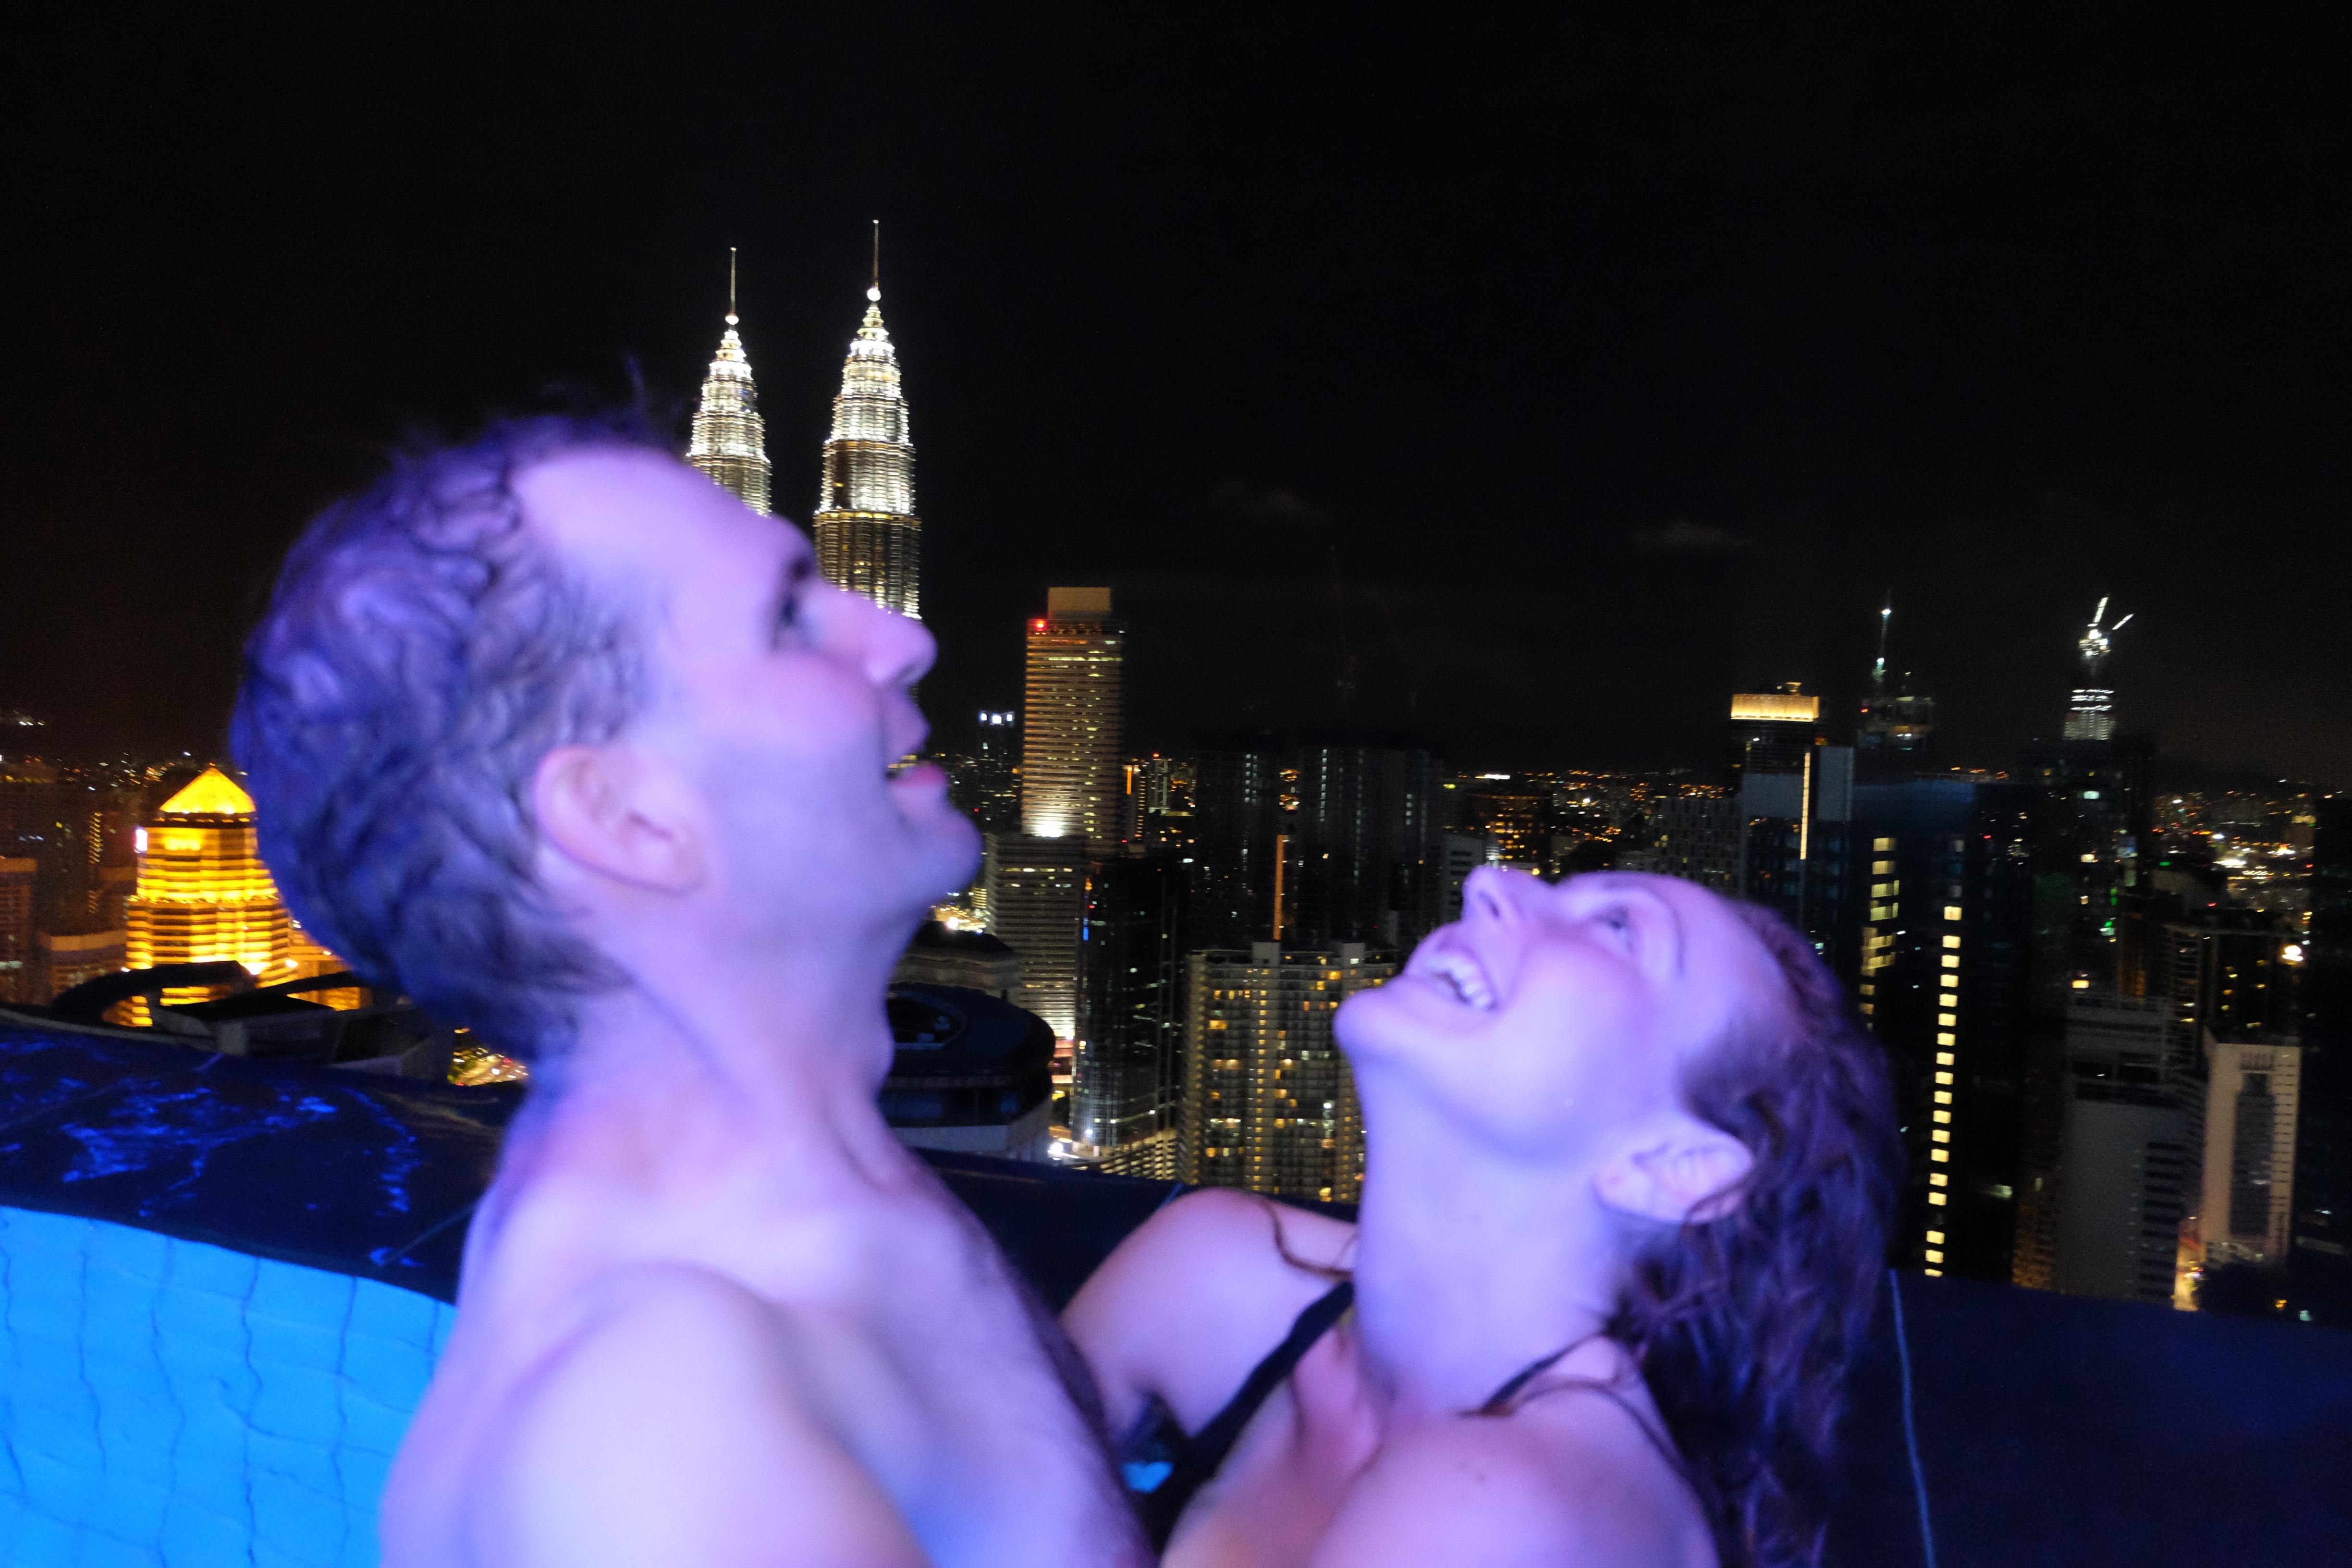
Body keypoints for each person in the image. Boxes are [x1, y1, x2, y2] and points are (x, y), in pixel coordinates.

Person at [234, 417, 1149, 1568]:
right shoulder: (662, 1432)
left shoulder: (767, 1199)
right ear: (628, 819)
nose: (905, 639)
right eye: (784, 619)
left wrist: (1186, 1298)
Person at [1066, 868, 1899, 1568]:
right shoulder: (1216, 1266)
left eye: (1619, 929)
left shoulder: (1515, 1503)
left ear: (1671, 1167)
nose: (1486, 883)